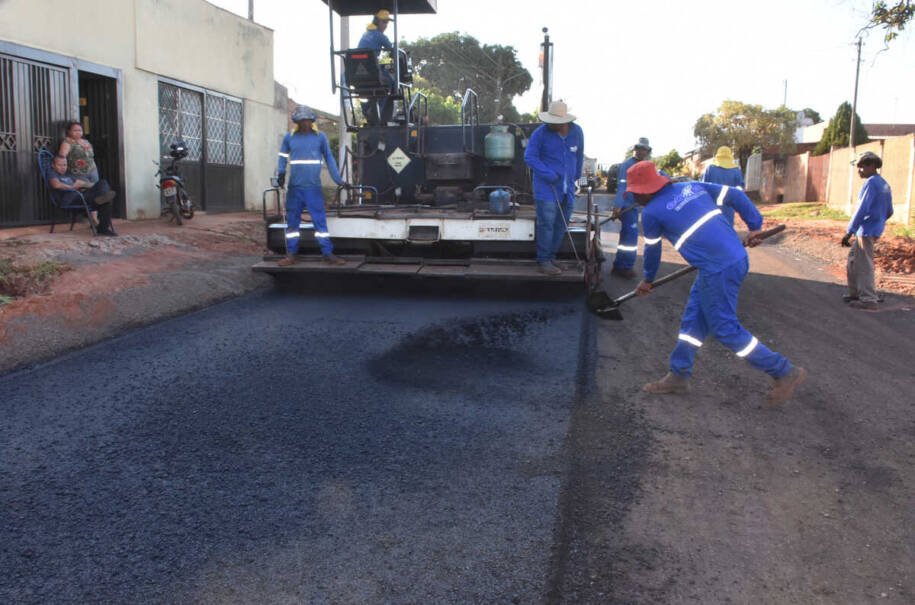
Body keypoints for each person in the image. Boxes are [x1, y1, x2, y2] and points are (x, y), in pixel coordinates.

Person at [627, 160, 806, 406]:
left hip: (719, 268)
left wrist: (647, 279)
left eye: (634, 192)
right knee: (694, 320)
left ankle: (784, 371)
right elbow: (734, 195)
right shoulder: (690, 187)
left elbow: (652, 252)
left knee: (724, 327)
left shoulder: (650, 213)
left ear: (644, 190)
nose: (634, 197)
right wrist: (754, 226)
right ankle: (678, 374)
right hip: (732, 258)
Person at [276, 105, 348, 267]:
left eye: (308, 121)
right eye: (302, 121)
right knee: (292, 224)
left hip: (313, 188)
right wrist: (280, 174)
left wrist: (338, 180)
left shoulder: (320, 138)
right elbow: (281, 158)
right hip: (294, 189)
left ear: (312, 121)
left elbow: (329, 159)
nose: (305, 124)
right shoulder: (289, 138)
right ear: (297, 122)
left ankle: (328, 254)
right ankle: (291, 255)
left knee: (319, 222)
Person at [523, 99, 584, 275]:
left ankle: (551, 258)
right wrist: (548, 174)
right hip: (546, 188)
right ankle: (543, 261)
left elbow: (579, 155)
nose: (552, 125)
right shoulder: (540, 133)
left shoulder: (577, 132)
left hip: (568, 189)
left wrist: (576, 176)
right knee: (547, 225)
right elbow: (530, 157)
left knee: (560, 225)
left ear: (566, 121)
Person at [842, 151, 893, 310]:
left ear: (871, 166)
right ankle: (855, 293)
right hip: (873, 228)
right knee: (853, 260)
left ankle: (869, 299)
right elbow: (889, 210)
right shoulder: (883, 183)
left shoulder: (871, 183)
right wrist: (879, 222)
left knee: (864, 264)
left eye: (861, 167)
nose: (859, 170)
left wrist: (849, 231)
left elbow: (862, 209)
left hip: (866, 229)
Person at [57, 121, 117, 234]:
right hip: (78, 173)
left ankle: (96, 217)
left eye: (80, 130)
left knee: (100, 193)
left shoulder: (86, 141)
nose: (78, 132)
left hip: (92, 170)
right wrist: (60, 169)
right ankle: (94, 220)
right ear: (69, 131)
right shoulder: (67, 142)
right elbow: (62, 157)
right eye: (75, 130)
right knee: (96, 192)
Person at [611, 137, 652, 279]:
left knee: (626, 236)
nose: (641, 151)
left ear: (647, 151)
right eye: (639, 148)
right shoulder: (627, 165)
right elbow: (622, 186)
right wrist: (617, 206)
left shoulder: (646, 165)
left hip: (636, 206)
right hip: (627, 206)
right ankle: (626, 266)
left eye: (644, 149)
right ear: (635, 149)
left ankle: (618, 265)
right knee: (631, 237)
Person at [48, 155, 117, 236]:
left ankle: (103, 197)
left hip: (80, 195)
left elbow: (83, 184)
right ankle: (103, 229)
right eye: (60, 165)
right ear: (53, 165)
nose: (63, 167)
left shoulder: (67, 175)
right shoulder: (52, 173)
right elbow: (56, 185)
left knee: (103, 184)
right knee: (104, 198)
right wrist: (72, 187)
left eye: (65, 165)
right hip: (71, 199)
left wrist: (96, 186)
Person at [357, 9, 396, 125]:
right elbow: (392, 50)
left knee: (372, 87)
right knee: (390, 83)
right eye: (384, 22)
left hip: (357, 72)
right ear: (377, 22)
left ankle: (368, 109)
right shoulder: (380, 36)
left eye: (387, 23)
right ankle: (378, 112)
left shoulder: (366, 34)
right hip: (371, 71)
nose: (386, 25)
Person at [700, 146, 745, 226]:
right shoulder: (735, 170)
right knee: (728, 226)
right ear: (730, 156)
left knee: (713, 226)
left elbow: (702, 187)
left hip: (712, 205)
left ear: (718, 155)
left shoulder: (710, 169)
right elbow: (740, 189)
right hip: (728, 206)